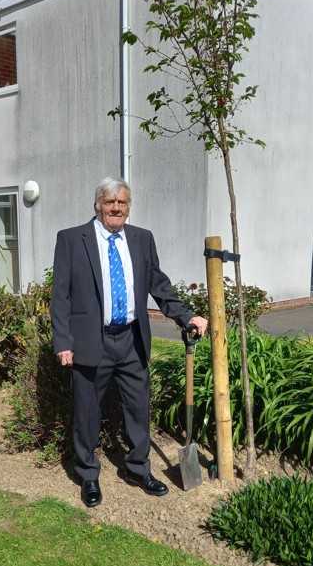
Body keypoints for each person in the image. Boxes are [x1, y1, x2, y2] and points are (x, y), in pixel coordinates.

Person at [51, 176, 208, 507]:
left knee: (138, 408)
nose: (115, 208)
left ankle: (138, 468)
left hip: (132, 339)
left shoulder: (141, 239)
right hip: (91, 341)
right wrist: (63, 340)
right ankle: (88, 474)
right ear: (97, 206)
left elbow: (159, 285)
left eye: (122, 203)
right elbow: (61, 296)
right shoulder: (71, 240)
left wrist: (186, 316)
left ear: (128, 207)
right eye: (109, 202)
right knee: (87, 411)